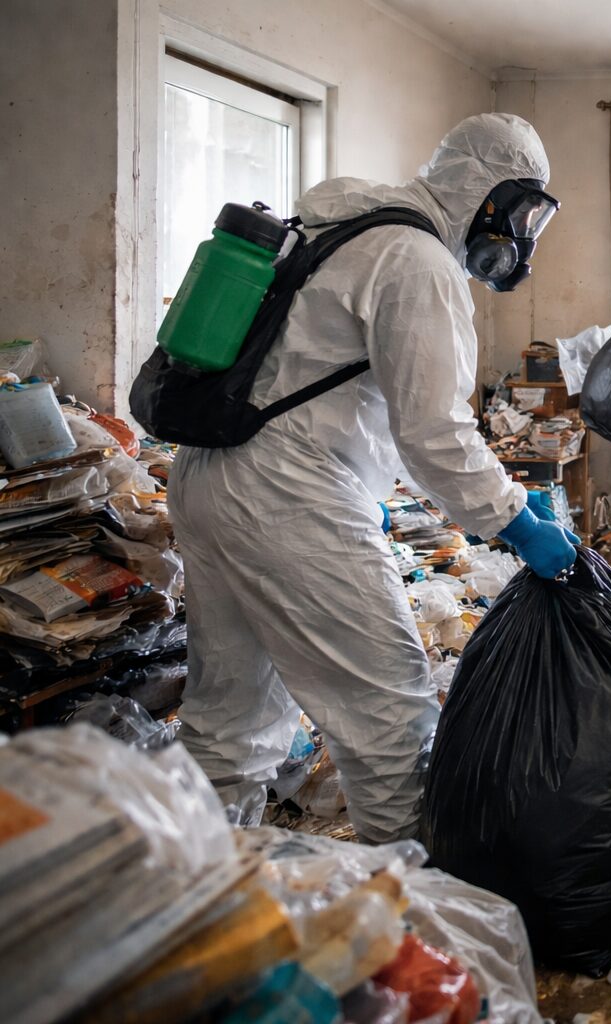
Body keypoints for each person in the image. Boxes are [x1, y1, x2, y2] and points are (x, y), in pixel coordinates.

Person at [168, 113, 578, 843]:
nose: (518, 234)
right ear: (481, 193)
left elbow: (331, 387)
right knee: (390, 719)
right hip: (289, 497)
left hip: (209, 475)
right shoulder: (418, 261)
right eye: (517, 210)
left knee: (227, 722)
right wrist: (516, 520)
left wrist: (375, 488)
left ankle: (194, 902)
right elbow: (433, 430)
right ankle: (411, 920)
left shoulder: (341, 230)